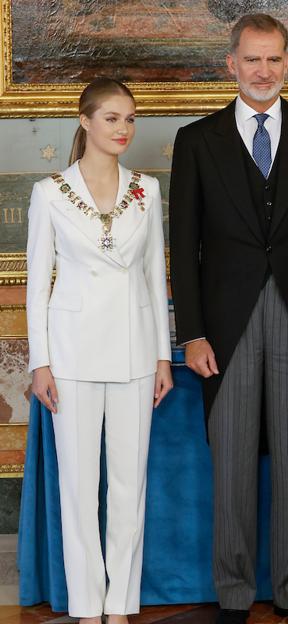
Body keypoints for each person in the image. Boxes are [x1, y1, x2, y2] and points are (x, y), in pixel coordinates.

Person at [168, 14, 288, 624]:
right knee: (233, 464)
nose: (263, 71)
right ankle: (234, 594)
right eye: (252, 59)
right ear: (232, 64)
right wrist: (191, 332)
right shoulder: (197, 141)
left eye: (274, 59)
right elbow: (184, 243)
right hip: (225, 325)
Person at [26, 78, 173, 624]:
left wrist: (163, 356)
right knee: (79, 487)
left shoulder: (147, 189)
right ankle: (88, 605)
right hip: (72, 355)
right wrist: (41, 362)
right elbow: (38, 283)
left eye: (129, 119)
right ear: (84, 121)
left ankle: (121, 604)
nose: (123, 129)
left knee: (128, 488)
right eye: (111, 118)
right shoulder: (49, 192)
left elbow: (156, 276)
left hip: (136, 352)